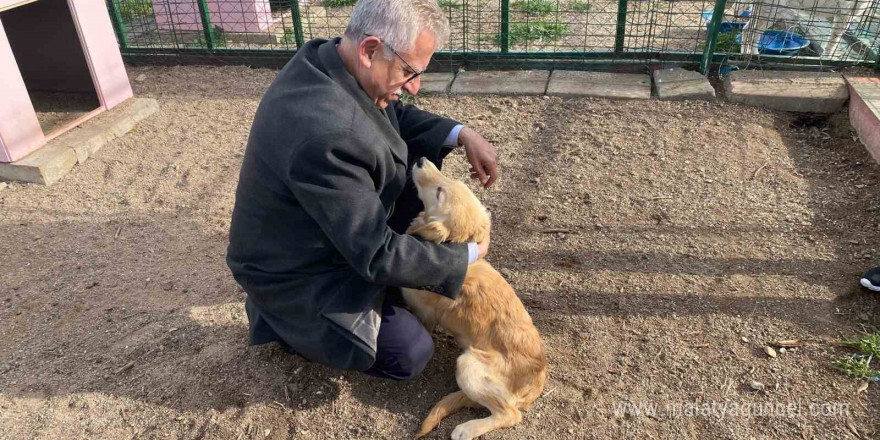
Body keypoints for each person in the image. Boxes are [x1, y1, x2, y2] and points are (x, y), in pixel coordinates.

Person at [226, 0, 498, 380]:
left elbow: (391, 115)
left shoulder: (332, 60)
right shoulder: (325, 133)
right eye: (408, 72)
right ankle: (283, 324)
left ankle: (388, 288)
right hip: (297, 272)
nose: (415, 87)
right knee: (409, 353)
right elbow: (374, 250)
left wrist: (461, 134)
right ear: (370, 50)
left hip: (322, 229)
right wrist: (467, 255)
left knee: (410, 186)